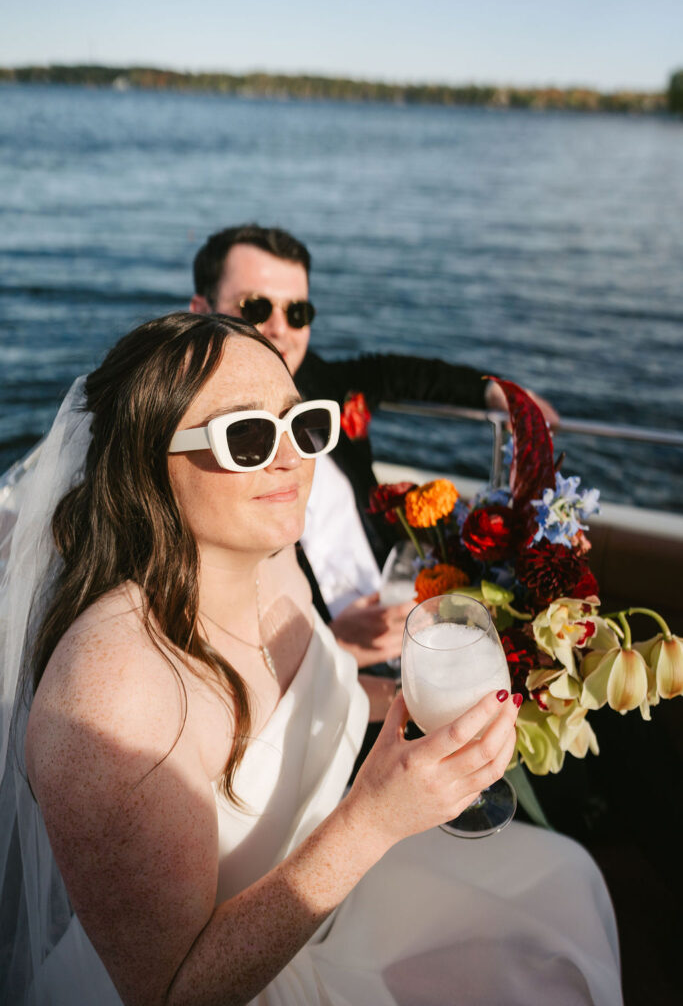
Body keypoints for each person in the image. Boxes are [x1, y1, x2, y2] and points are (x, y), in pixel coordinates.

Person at [0, 312, 622, 1005]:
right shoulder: (110, 694)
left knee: (561, 881)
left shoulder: (272, 557)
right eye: (247, 436)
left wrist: (432, 722)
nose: (293, 458)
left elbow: (302, 701)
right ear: (146, 463)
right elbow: (168, 992)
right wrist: (377, 817)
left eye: (303, 425)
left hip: (327, 902)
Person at [189, 225, 559, 688]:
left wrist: (495, 392)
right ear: (200, 311)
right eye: (254, 306)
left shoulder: (323, 384)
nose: (279, 327)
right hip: (323, 674)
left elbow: (400, 373)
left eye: (297, 311)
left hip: (408, 619)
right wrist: (329, 643)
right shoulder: (193, 450)